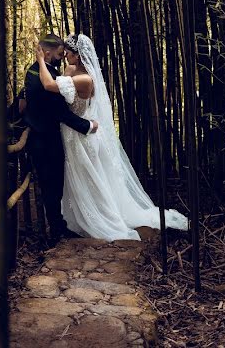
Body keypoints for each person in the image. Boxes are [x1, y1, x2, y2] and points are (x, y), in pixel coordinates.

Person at [35, 33, 189, 241]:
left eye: (68, 54)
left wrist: (40, 60)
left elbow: (49, 85)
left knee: (90, 181)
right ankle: (78, 219)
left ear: (78, 56)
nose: (65, 57)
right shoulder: (72, 70)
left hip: (82, 137)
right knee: (77, 179)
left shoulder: (85, 79)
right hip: (73, 133)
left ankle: (101, 219)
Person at [23, 34, 98, 244]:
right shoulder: (41, 73)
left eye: (66, 53)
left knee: (56, 184)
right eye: (59, 53)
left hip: (49, 136)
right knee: (52, 185)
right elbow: (59, 112)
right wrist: (87, 126)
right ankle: (56, 231)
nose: (63, 56)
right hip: (45, 139)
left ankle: (58, 227)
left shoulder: (39, 70)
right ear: (46, 53)